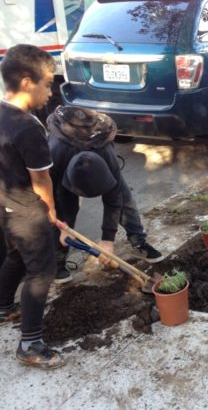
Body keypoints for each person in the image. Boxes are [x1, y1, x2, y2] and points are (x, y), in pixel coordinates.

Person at [0, 44, 66, 369]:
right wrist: (51, 213)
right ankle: (30, 343)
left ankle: (2, 307)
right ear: (27, 82)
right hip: (27, 210)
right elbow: (42, 181)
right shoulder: (29, 127)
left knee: (15, 255)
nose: (50, 91)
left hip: (5, 206)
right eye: (48, 83)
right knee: (41, 270)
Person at [47, 106, 163, 283]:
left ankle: (138, 242)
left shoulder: (107, 157)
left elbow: (114, 198)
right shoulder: (55, 155)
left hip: (95, 150)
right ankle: (58, 260)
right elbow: (52, 198)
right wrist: (64, 227)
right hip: (62, 166)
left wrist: (107, 240)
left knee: (125, 199)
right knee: (65, 209)